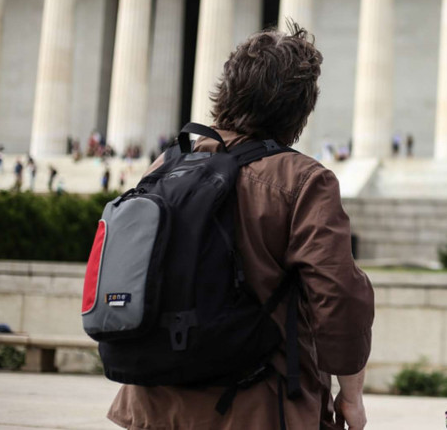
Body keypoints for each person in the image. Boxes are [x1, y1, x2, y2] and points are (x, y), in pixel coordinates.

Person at [108, 24, 375, 430]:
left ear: (226, 90)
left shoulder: (166, 165)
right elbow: (338, 296)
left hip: (152, 398)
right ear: (300, 108)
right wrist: (351, 395)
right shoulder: (303, 180)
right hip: (256, 403)